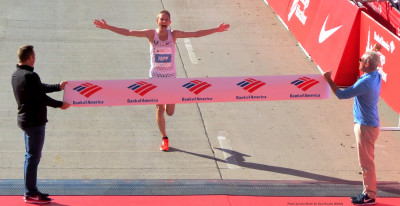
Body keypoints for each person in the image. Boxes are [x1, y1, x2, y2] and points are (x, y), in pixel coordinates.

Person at [94, 10, 229, 151]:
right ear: (157, 21)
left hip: (171, 78)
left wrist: (217, 30)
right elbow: (128, 32)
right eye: (161, 19)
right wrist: (108, 27)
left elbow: (195, 34)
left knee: (170, 112)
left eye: (166, 20)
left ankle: (165, 103)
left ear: (169, 23)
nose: (164, 21)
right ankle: (164, 138)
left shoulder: (174, 34)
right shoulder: (151, 34)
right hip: (156, 78)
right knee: (159, 109)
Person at [11, 45, 70, 204]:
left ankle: (31, 190)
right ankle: (30, 193)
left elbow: (39, 89)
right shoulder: (30, 76)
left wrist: (58, 86)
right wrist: (60, 104)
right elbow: (41, 97)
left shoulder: (17, 74)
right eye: (34, 55)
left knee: (30, 156)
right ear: (30, 57)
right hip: (34, 122)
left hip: (26, 121)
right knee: (32, 157)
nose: (35, 58)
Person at [323, 50, 381, 205]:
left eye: (361, 59)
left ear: (367, 64)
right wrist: (374, 50)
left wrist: (328, 79)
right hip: (371, 124)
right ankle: (367, 192)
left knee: (366, 163)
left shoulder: (365, 82)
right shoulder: (376, 75)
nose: (359, 61)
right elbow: (373, 60)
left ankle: (370, 195)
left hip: (365, 127)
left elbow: (342, 95)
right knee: (368, 161)